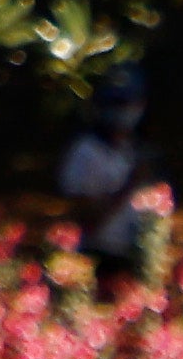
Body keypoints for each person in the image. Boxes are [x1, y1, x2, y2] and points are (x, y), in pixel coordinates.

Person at [55, 72, 169, 293]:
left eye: (131, 104)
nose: (125, 112)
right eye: (117, 104)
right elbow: (87, 218)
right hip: (99, 257)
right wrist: (129, 185)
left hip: (133, 256)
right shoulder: (85, 152)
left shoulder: (134, 150)